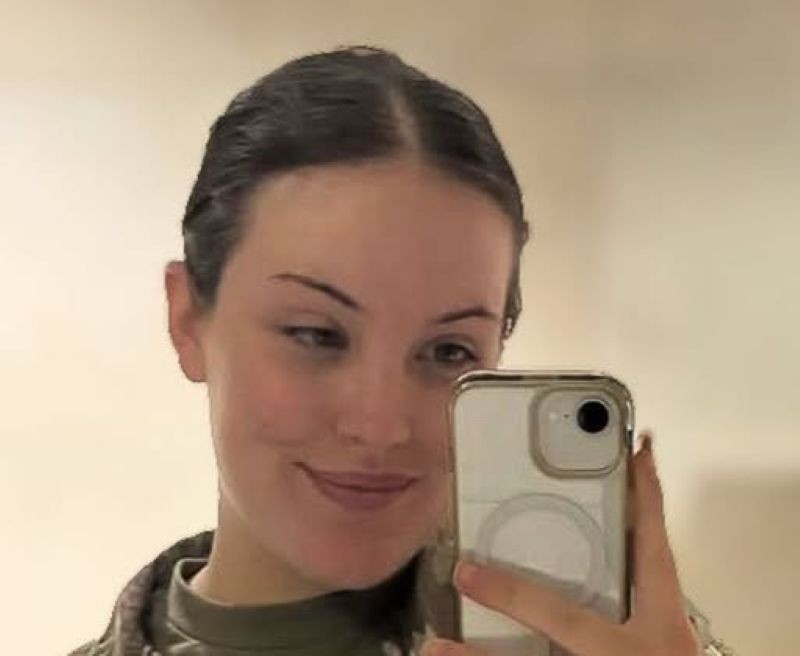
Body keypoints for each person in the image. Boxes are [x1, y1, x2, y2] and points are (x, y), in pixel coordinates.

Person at [70, 46, 729, 656]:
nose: (381, 424)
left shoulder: (608, 640)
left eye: (448, 351)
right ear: (187, 319)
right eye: (316, 335)